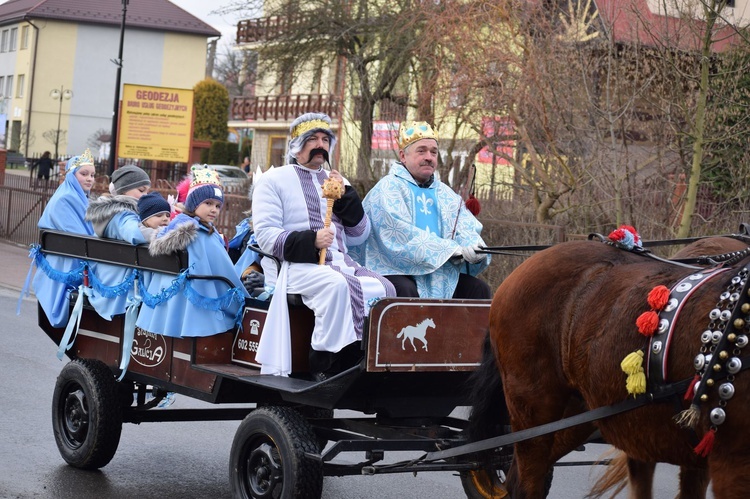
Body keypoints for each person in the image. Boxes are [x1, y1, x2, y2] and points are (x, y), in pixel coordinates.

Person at [252, 112, 396, 379]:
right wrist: (312, 240)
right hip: (295, 266)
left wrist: (347, 198)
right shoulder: (273, 180)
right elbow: (266, 236)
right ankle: (323, 360)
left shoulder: (339, 181)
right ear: (296, 147)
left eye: (325, 139)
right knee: (335, 285)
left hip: (340, 263)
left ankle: (366, 356)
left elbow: (359, 235)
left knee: (385, 288)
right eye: (312, 139)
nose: (320, 145)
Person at [352, 121, 491, 299]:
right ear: (403, 156)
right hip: (394, 269)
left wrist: (475, 249)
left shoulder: (446, 194)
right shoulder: (388, 188)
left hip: (439, 273)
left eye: (433, 152)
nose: (429, 157)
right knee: (405, 291)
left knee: (478, 290)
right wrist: (451, 250)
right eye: (421, 151)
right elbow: (398, 236)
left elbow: (465, 228)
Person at [135, 165, 249, 338]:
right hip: (196, 307)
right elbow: (224, 272)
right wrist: (246, 298)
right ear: (194, 203)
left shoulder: (177, 226)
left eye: (218, 206)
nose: (214, 210)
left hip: (171, 302)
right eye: (208, 203)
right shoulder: (200, 234)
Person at [32, 149, 96, 327]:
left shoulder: (79, 197)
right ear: (71, 175)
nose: (90, 178)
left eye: (92, 174)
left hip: (74, 255)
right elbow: (79, 236)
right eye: (84, 174)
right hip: (67, 262)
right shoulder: (65, 199)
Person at [84, 164, 152, 320]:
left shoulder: (111, 212)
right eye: (141, 191)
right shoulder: (123, 214)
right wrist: (163, 233)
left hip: (107, 276)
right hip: (119, 284)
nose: (145, 195)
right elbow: (134, 233)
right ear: (124, 190)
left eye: (147, 191)